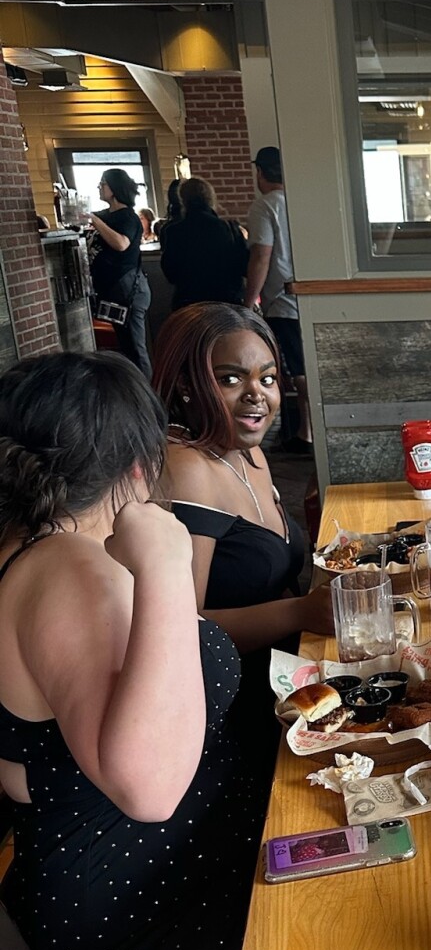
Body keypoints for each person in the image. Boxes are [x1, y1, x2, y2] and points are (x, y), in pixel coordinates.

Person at [0, 352, 258, 950]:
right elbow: (149, 789)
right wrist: (168, 562)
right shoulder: (67, 567)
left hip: (155, 890)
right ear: (137, 466)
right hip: (149, 935)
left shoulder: (35, 551)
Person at [153, 302, 332, 810]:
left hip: (291, 684)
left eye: (267, 378)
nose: (257, 395)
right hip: (232, 715)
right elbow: (184, 628)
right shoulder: (187, 467)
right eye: (231, 379)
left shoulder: (247, 450)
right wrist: (300, 612)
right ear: (186, 385)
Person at [246, 146, 311, 453]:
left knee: (298, 371)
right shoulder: (303, 202)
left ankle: (308, 433)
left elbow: (262, 255)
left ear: (261, 172)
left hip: (282, 302)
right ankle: (307, 432)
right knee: (305, 368)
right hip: (308, 297)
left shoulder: (265, 206)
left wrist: (248, 301)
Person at [88, 168, 152, 376]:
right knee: (125, 346)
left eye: (103, 183)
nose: (99, 187)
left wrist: (95, 221)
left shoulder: (128, 217)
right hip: (115, 290)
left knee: (135, 348)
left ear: (115, 187)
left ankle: (147, 392)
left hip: (128, 290)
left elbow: (121, 243)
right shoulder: (107, 215)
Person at [160, 176, 249, 311]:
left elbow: (171, 274)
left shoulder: (173, 231)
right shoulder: (229, 228)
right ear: (211, 198)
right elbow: (244, 267)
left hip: (190, 303)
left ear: (183, 200)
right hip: (227, 301)